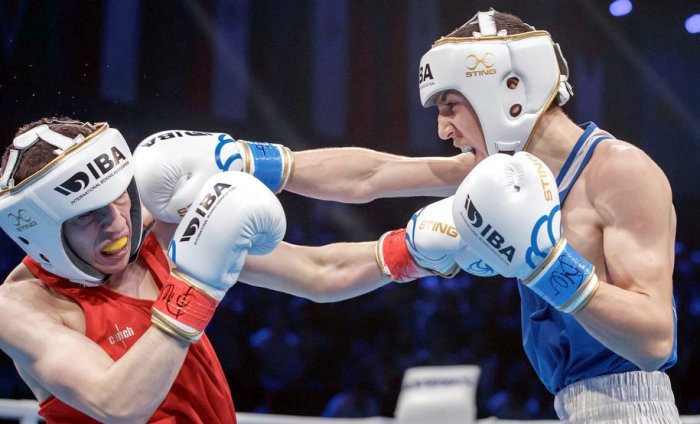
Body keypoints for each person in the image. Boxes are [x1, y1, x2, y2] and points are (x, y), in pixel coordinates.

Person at [283, 9, 677, 422]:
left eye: (450, 106)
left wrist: (546, 266)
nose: (443, 130)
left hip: (633, 408)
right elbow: (373, 174)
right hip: (570, 406)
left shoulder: (618, 170)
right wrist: (256, 163)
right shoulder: (506, 175)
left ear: (510, 89)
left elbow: (655, 342)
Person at [0, 117, 463, 422]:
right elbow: (118, 404)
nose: (118, 223)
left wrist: (417, 246)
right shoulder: (21, 307)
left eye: (118, 196)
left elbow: (319, 271)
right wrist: (195, 285)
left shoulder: (157, 231)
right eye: (88, 216)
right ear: (41, 235)